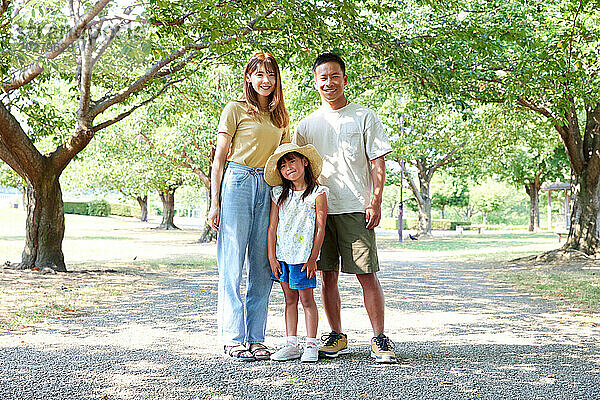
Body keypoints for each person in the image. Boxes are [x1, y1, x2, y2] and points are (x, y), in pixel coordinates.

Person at [295, 52, 397, 363]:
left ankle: (380, 338)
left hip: (355, 206)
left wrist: (375, 199)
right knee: (326, 275)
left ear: (344, 79)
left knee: (367, 273)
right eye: (323, 78)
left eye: (334, 76)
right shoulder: (306, 125)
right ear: (315, 83)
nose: (329, 82)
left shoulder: (364, 116)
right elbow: (298, 169)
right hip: (319, 210)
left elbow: (377, 160)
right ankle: (336, 334)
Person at [208, 52, 290, 362]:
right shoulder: (235, 109)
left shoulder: (280, 118)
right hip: (238, 183)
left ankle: (256, 337)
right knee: (232, 265)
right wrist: (214, 202)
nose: (266, 80)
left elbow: (283, 160)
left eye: (271, 75)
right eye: (260, 74)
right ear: (249, 78)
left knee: (262, 265)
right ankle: (232, 338)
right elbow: (219, 159)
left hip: (268, 187)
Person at [264, 143, 328, 363]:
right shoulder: (278, 193)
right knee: (289, 299)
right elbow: (272, 227)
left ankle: (311, 343)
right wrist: (272, 257)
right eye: (282, 165)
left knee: (307, 300)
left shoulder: (317, 193)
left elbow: (320, 227)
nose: (288, 167)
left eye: (292, 161)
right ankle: (291, 344)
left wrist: (313, 258)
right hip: (283, 257)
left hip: (303, 258)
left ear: (305, 162)